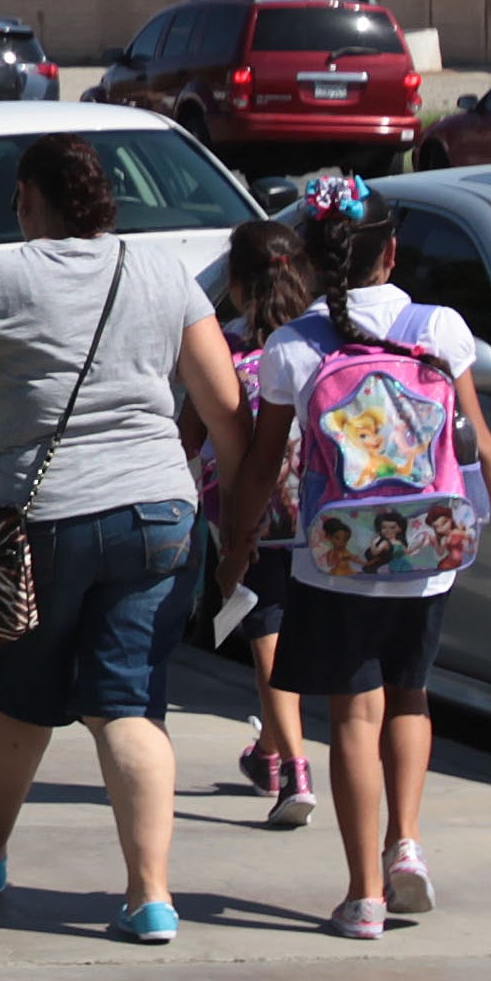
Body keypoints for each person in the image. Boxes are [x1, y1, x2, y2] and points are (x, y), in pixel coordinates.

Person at [0, 131, 247, 943]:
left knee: (20, 700)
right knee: (130, 705)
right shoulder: (162, 269)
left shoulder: (3, 276)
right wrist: (236, 523)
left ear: (31, 197)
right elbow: (223, 405)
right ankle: (151, 895)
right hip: (160, 517)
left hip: (40, 521)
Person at [223, 193, 491, 936]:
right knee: (411, 698)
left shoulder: (292, 347)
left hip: (332, 561)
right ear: (391, 254)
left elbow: (264, 464)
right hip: (428, 554)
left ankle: (363, 893)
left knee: (352, 717)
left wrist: (239, 546)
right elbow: (482, 447)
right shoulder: (438, 328)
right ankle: (407, 845)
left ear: (309, 260)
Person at [200, 214, 322, 829]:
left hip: (251, 508)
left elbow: (192, 431)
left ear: (237, 285)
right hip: (323, 506)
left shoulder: (222, 345)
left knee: (265, 630)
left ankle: (294, 768)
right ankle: (268, 753)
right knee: (294, 623)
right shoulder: (322, 336)